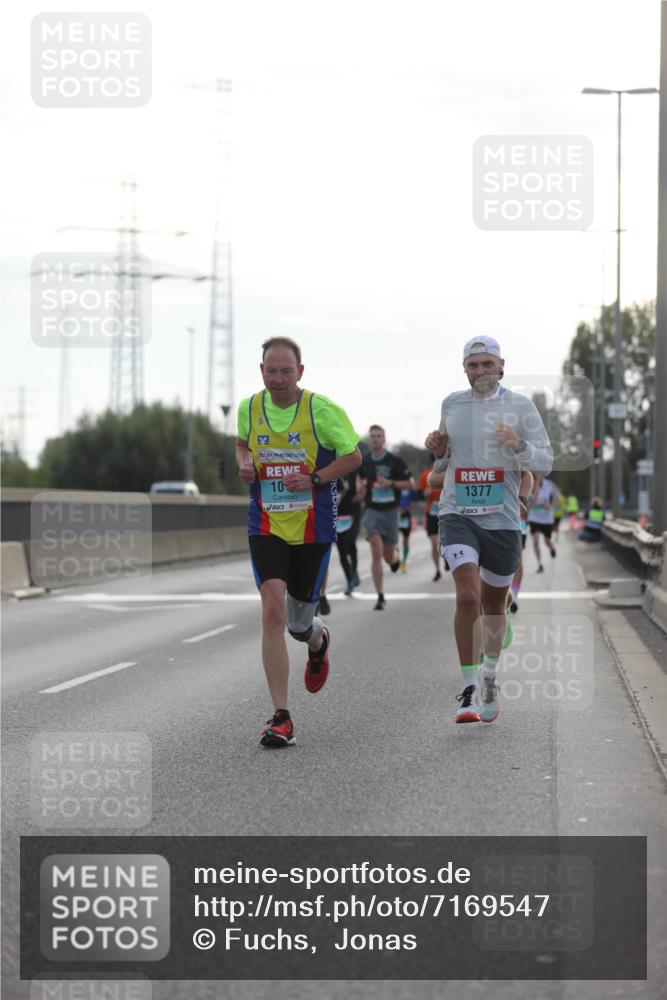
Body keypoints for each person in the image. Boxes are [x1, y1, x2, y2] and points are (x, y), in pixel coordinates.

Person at [236, 336, 361, 748]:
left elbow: (353, 456)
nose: (277, 378)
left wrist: (315, 478)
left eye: (286, 371)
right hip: (266, 524)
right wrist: (244, 463)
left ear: (300, 372)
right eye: (270, 370)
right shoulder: (250, 408)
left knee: (297, 624)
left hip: (313, 527)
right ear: (261, 371)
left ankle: (317, 640)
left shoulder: (320, 410)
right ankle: (281, 717)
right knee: (271, 612)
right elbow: (242, 443)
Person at [425, 335, 552, 725]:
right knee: (467, 597)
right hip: (457, 513)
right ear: (464, 369)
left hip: (501, 520)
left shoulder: (520, 406)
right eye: (472, 365)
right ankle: (467, 691)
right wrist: (437, 448)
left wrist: (517, 445)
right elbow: (445, 462)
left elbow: (545, 462)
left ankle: (489, 675)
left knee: (494, 606)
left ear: (501, 366)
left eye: (487, 364)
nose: (480, 371)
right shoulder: (452, 404)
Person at [356, 426, 415, 610]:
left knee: (388, 557)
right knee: (376, 552)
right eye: (372, 436)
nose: (375, 439)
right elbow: (359, 479)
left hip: (390, 511)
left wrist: (390, 483)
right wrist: (360, 486)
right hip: (372, 511)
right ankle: (380, 596)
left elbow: (411, 485)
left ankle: (395, 558)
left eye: (378, 436)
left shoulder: (395, 461)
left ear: (384, 439)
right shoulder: (364, 461)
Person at [509, 471, 534, 613]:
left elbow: (527, 476)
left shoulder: (527, 474)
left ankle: (515, 595)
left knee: (517, 560)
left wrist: (522, 499)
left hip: (519, 522)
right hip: (494, 520)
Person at [418, 459, 447, 580]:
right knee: (434, 543)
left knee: (445, 541)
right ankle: (437, 570)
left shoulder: (450, 472)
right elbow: (419, 495)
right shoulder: (426, 475)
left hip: (447, 512)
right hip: (432, 512)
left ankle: (447, 558)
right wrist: (426, 493)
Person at [335, 472, 362, 595]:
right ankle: (349, 581)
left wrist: (360, 492)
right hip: (337, 517)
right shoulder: (330, 474)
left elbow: (361, 490)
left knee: (350, 541)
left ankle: (355, 570)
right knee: (342, 552)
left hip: (352, 514)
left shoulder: (352, 473)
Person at [528, 474, 559, 572]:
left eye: (540, 475)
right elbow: (526, 503)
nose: (539, 477)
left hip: (547, 519)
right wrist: (533, 498)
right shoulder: (530, 484)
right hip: (534, 518)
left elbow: (557, 498)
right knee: (536, 540)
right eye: (536, 475)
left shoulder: (550, 485)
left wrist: (550, 505)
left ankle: (552, 547)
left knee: (546, 541)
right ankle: (540, 563)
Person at [398, 488, 413, 571]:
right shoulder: (394, 483)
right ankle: (396, 558)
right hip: (395, 513)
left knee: (405, 540)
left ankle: (404, 561)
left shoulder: (409, 486)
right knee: (394, 539)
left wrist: (408, 509)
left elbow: (415, 500)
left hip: (406, 516)